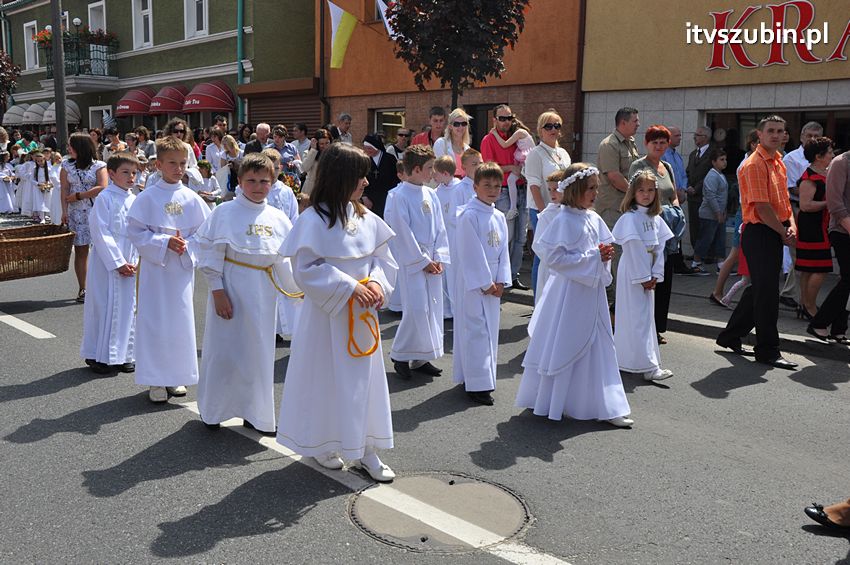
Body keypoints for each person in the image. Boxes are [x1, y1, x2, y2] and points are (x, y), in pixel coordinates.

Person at [276, 143, 398, 482]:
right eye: (360, 176)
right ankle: (324, 443)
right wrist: (349, 287)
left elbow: (383, 260)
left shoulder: (367, 218)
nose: (366, 182)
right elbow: (305, 268)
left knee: (364, 382)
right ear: (340, 177)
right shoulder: (312, 220)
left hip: (362, 315)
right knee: (325, 379)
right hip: (327, 316)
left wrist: (376, 283)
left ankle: (367, 449)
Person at [515, 163, 633, 427]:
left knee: (600, 345)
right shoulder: (563, 220)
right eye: (590, 188)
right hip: (569, 294)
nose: (595, 193)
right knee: (567, 342)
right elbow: (554, 258)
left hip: (592, 293)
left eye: (596, 188)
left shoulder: (594, 219)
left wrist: (604, 257)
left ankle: (606, 405)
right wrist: (594, 257)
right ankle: (555, 399)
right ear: (575, 189)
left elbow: (602, 249)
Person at [196, 153, 295, 435]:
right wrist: (218, 291)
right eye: (251, 180)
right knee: (224, 351)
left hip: (264, 293)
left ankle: (256, 413)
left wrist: (297, 292)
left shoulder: (277, 217)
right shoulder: (224, 213)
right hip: (232, 287)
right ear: (239, 181)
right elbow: (212, 255)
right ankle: (214, 410)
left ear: (272, 182)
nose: (258, 186)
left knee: (258, 354)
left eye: (264, 181)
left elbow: (284, 261)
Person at [127, 136, 211, 403]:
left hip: (181, 270)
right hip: (156, 270)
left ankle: (176, 376)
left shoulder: (192, 198)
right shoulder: (147, 198)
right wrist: (164, 242)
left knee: (180, 322)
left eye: (183, 163)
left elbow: (205, 233)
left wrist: (187, 245)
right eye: (172, 163)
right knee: (155, 321)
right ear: (159, 165)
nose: (178, 168)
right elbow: (136, 232)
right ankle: (156, 379)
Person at [716, 115, 798, 370]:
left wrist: (791, 225)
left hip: (774, 230)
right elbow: (762, 208)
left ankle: (730, 336)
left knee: (761, 289)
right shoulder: (754, 164)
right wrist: (783, 232)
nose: (776, 135)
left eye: (780, 131)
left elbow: (784, 201)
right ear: (759, 135)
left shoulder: (779, 161)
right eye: (770, 131)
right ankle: (767, 350)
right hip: (760, 231)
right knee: (767, 294)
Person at [385, 144, 450, 379]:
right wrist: (422, 260)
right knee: (417, 309)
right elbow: (402, 232)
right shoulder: (399, 196)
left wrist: (439, 255)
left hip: (432, 258)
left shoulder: (430, 194)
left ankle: (421, 357)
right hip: (413, 261)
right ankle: (400, 354)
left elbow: (440, 228)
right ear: (415, 169)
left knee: (432, 309)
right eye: (429, 168)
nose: (433, 172)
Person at [452, 162, 511, 406]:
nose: (493, 190)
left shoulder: (498, 216)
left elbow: (504, 251)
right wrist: (486, 283)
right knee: (476, 331)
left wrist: (502, 280)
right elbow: (470, 253)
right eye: (487, 185)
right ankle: (476, 384)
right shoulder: (469, 215)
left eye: (497, 186)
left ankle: (483, 378)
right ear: (475, 186)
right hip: (474, 283)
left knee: (489, 331)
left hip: (494, 282)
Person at [80, 152, 140, 375]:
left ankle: (125, 354)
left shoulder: (135, 200)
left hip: (130, 259)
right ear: (112, 174)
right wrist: (117, 262)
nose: (131, 177)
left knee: (128, 308)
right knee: (103, 306)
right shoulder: (105, 198)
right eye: (125, 172)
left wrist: (135, 260)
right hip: (107, 263)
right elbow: (100, 231)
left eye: (134, 173)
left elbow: (140, 231)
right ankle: (98, 355)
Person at [613, 170, 675, 381]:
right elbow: (634, 247)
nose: (646, 194)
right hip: (634, 270)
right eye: (641, 190)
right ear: (633, 192)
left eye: (650, 190)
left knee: (646, 318)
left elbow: (660, 247)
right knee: (635, 318)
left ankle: (642, 362)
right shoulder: (629, 218)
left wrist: (656, 273)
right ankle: (646, 366)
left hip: (648, 270)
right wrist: (643, 277)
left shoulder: (655, 218)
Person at [629, 125, 682, 343]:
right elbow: (634, 195)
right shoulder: (638, 166)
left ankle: (658, 327)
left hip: (667, 227)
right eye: (655, 142)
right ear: (646, 144)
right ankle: (642, 326)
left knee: (664, 276)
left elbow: (673, 194)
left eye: (663, 142)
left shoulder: (667, 166)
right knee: (648, 276)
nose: (659, 146)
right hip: (647, 226)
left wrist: (676, 211)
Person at [522, 111, 572, 298]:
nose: (553, 129)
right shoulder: (535, 154)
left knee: (559, 253)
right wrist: (544, 214)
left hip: (561, 210)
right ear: (540, 130)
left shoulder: (563, 153)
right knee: (542, 255)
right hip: (541, 210)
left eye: (557, 126)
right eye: (548, 126)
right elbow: (534, 186)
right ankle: (539, 300)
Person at [480, 104, 530, 290]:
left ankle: (513, 276)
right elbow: (488, 169)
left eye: (509, 118)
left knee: (521, 238)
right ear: (494, 120)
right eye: (502, 118)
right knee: (505, 238)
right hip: (502, 191)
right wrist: (510, 168)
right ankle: (502, 277)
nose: (506, 122)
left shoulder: (516, 136)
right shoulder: (488, 139)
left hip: (522, 189)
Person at [806, 138, 850, 344]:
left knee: (847, 280)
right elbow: (835, 204)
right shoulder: (841, 163)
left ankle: (839, 329)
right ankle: (819, 323)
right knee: (849, 278)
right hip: (841, 230)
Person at [596, 107, 641, 308]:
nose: (638, 124)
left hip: (626, 207)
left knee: (626, 250)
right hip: (612, 207)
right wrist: (636, 194)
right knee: (615, 252)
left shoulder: (630, 143)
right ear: (623, 122)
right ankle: (614, 299)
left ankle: (621, 297)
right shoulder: (609, 145)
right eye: (635, 121)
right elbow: (614, 176)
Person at [61, 133, 109, 303]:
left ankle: (103, 286)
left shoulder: (99, 166)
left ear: (80, 147)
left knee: (101, 250)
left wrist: (79, 195)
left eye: (71, 146)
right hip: (76, 214)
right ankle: (84, 288)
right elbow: (64, 189)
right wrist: (64, 211)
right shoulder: (66, 165)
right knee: (81, 251)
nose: (68, 149)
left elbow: (102, 186)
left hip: (96, 211)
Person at [713, 129, 759, 306]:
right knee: (734, 254)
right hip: (746, 212)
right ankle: (717, 292)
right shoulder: (747, 164)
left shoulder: (753, 161)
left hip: (748, 212)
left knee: (736, 255)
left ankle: (719, 292)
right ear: (753, 144)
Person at [793, 137, 834, 320]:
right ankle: (809, 306)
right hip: (812, 227)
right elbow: (805, 205)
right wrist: (829, 203)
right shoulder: (809, 177)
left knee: (808, 268)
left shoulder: (824, 172)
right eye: (830, 152)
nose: (832, 155)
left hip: (819, 225)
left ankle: (805, 304)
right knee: (821, 267)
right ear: (818, 156)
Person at [261, 148, 300, 340]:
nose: (273, 171)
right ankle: (270, 328)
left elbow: (294, 217)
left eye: (276, 168)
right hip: (263, 246)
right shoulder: (258, 189)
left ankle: (285, 328)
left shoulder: (286, 191)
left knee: (286, 287)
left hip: (284, 246)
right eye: (269, 167)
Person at [433, 155, 469, 319]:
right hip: (442, 235)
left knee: (455, 272)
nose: (433, 176)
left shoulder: (460, 188)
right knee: (444, 272)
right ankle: (445, 308)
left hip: (455, 235)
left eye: (436, 173)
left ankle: (457, 308)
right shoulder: (437, 191)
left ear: (445, 173)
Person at [488, 118, 534, 219]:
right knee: (511, 180)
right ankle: (513, 208)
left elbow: (504, 144)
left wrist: (495, 133)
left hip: (528, 161)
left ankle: (524, 207)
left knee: (528, 181)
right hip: (524, 161)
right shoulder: (521, 134)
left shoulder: (520, 132)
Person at [532, 171, 567, 300]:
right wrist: (557, 259)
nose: (552, 194)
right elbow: (538, 245)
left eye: (556, 189)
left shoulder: (575, 212)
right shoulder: (547, 215)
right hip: (551, 268)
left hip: (570, 267)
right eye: (549, 190)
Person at [693, 148, 729, 269]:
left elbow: (722, 196)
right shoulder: (712, 176)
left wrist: (723, 212)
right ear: (714, 162)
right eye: (721, 159)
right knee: (705, 239)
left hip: (719, 214)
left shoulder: (720, 175)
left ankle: (721, 264)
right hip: (709, 215)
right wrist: (718, 212)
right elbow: (710, 196)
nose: (724, 162)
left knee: (720, 239)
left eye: (725, 159)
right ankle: (696, 262)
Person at [685, 126, 714, 271]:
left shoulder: (713, 153)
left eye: (698, 135)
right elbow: (688, 173)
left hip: (705, 197)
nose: (695, 137)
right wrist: (688, 186)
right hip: (692, 197)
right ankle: (696, 252)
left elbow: (709, 175)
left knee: (705, 227)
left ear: (706, 137)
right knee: (694, 226)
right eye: (695, 135)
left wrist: (696, 188)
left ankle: (706, 254)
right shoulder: (692, 154)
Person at [361, 133, 397, 218]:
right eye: (365, 148)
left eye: (369, 148)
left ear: (376, 147)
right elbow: (360, 178)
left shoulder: (390, 159)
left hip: (387, 198)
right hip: (369, 199)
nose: (367, 151)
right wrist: (364, 197)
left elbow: (396, 179)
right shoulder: (363, 159)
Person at [433, 108, 472, 178]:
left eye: (464, 124)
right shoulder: (441, 143)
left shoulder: (467, 149)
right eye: (456, 124)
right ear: (450, 126)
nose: (460, 127)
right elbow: (439, 170)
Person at [300, 128, 331, 196]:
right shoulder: (308, 153)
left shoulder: (334, 155)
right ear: (317, 143)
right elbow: (304, 168)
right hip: (311, 191)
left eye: (327, 143)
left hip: (327, 190)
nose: (325, 146)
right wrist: (313, 150)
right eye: (321, 144)